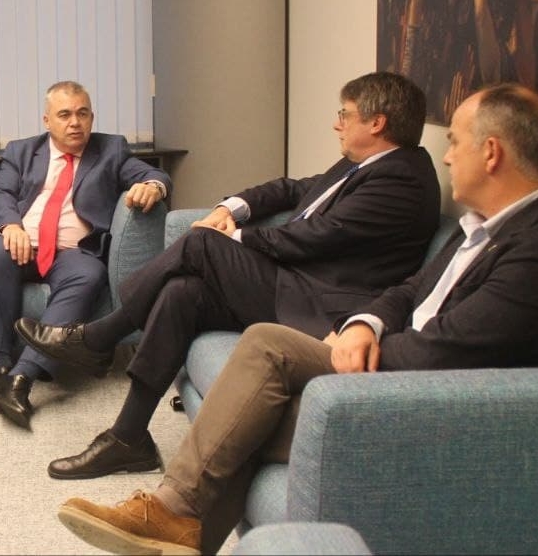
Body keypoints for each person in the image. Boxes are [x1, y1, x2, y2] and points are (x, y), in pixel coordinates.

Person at [52, 82, 538, 556]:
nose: (448, 155)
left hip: (403, 378)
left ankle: (105, 347)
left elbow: (445, 348)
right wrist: (365, 323)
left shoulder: (512, 238)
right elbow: (410, 289)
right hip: (354, 325)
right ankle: (139, 453)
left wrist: (359, 339)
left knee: (252, 328)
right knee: (186, 293)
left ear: (491, 152)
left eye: (454, 141)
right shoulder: (477, 224)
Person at [16, 71, 441, 477]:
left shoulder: (401, 178)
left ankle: (99, 337)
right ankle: (128, 438)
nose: (336, 123)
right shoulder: (362, 164)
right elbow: (291, 189)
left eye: (345, 114)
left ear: (377, 122)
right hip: (295, 282)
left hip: (321, 304)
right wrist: (229, 209)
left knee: (201, 244)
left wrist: (234, 236)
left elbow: (315, 236)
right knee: (183, 291)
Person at [0, 81, 172, 428]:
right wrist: (10, 226)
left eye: (82, 113)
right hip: (22, 242)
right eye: (65, 114)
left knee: (89, 275)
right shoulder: (22, 151)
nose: (75, 122)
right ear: (47, 120)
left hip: (74, 251)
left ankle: (21, 379)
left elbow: (153, 174)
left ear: (91, 117)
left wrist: (152, 186)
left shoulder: (111, 150)